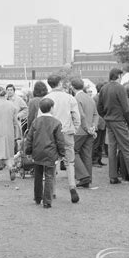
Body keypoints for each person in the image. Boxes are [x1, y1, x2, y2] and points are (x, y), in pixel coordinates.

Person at [97, 68, 129, 186]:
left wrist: (106, 116)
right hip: (119, 121)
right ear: (118, 76)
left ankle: (113, 176)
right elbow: (126, 109)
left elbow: (99, 107)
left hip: (109, 121)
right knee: (127, 148)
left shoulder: (104, 88)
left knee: (111, 149)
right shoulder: (120, 88)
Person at [42, 74, 81, 203]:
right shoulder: (69, 98)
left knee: (52, 162)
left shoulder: (46, 98)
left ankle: (53, 191)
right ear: (59, 83)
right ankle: (72, 186)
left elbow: (41, 118)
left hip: (50, 133)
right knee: (70, 161)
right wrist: (74, 128)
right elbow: (76, 116)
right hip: (66, 132)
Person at [25, 98, 65, 208]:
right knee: (49, 176)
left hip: (37, 152)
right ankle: (47, 201)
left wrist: (28, 151)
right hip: (50, 153)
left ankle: (37, 197)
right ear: (52, 108)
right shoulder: (56, 123)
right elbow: (60, 140)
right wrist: (62, 153)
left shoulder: (35, 121)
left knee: (38, 175)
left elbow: (30, 138)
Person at [72, 78, 99, 188]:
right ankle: (88, 178)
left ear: (72, 87)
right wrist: (93, 127)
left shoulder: (76, 98)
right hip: (89, 130)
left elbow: (81, 115)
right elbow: (96, 114)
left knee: (72, 152)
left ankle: (83, 176)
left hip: (80, 130)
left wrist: (87, 128)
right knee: (87, 155)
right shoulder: (90, 98)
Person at [92, 82, 107, 167]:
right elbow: (97, 112)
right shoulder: (95, 98)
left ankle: (99, 159)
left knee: (101, 143)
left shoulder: (101, 98)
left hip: (103, 123)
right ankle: (94, 161)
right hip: (98, 123)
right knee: (96, 143)